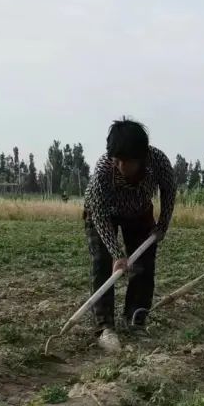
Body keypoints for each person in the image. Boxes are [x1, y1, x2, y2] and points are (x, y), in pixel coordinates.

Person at [83, 118, 176, 353]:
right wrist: (117, 254)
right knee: (103, 264)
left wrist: (162, 225)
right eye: (118, 160)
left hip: (139, 211)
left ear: (142, 157)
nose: (123, 167)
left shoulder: (158, 161)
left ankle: (136, 318)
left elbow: (169, 191)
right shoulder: (103, 172)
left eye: (129, 161)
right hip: (104, 214)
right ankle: (105, 327)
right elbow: (100, 216)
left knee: (144, 265)